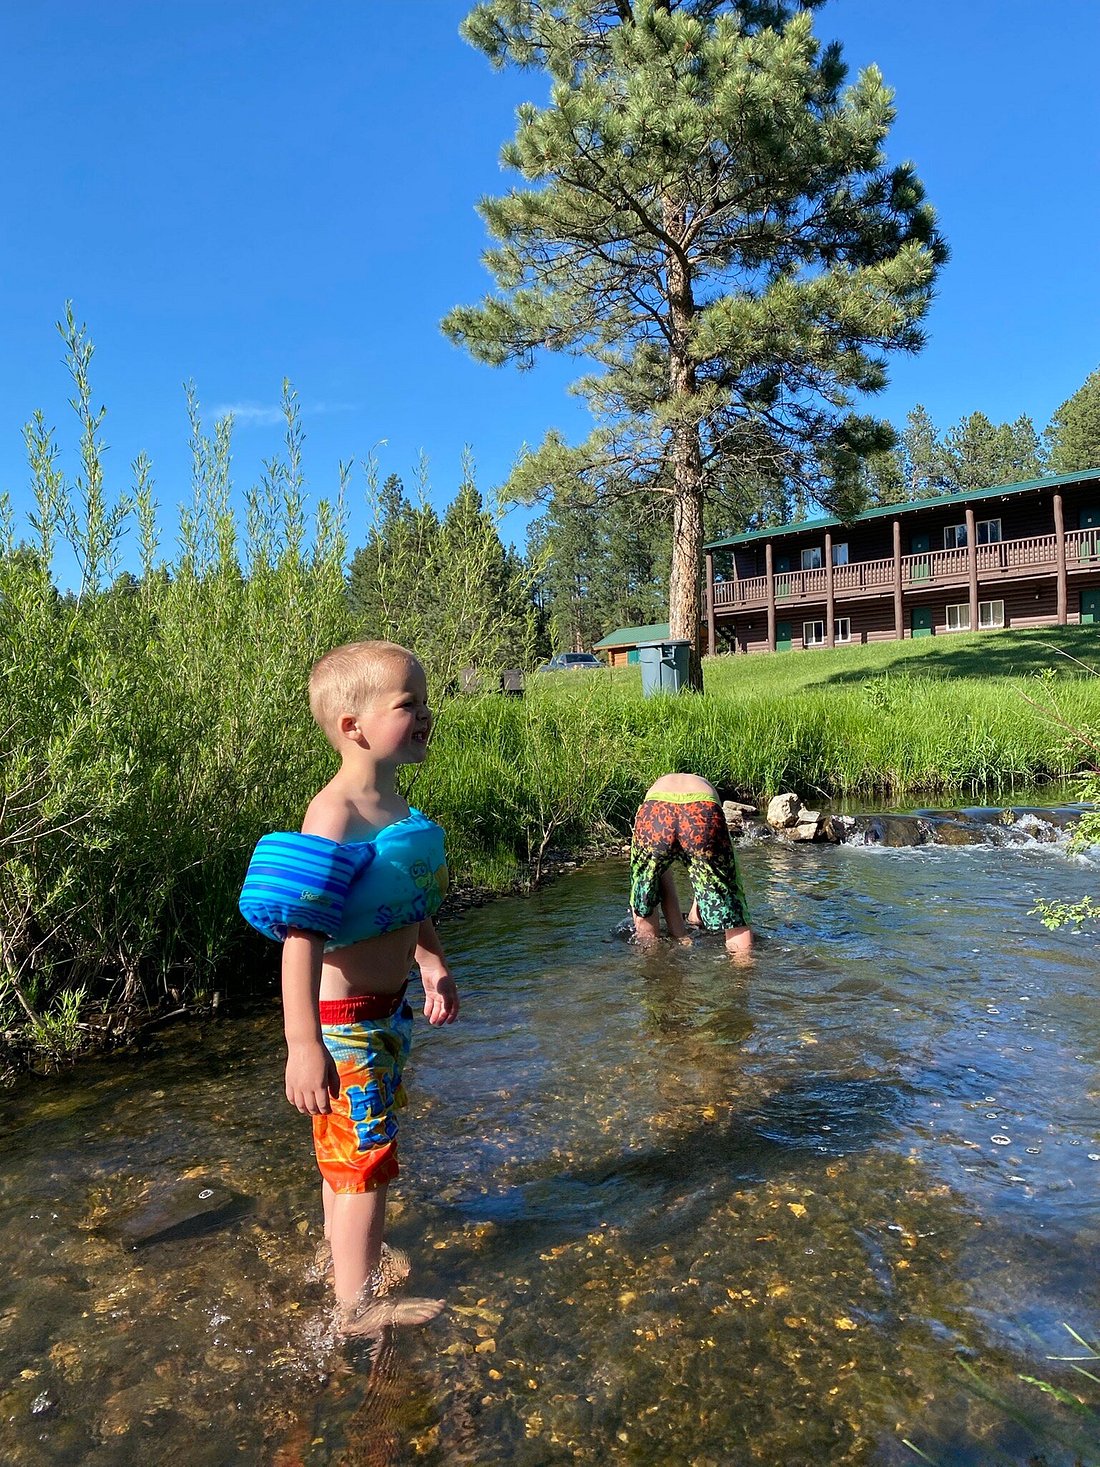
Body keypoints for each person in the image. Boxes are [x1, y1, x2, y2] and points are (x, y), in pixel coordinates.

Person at [239, 640, 459, 1335]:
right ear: (352, 726)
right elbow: (300, 937)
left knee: (353, 1150)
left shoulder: (393, 807)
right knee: (368, 1162)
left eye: (424, 702)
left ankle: (341, 1258)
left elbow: (404, 899)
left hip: (386, 1012)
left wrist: (431, 960)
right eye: (408, 705)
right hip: (343, 1022)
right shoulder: (334, 814)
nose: (425, 715)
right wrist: (302, 1044)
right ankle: (357, 1308)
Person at [629, 772, 752, 961]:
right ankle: (742, 973)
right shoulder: (704, 785)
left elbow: (665, 886)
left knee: (645, 897)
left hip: (655, 813)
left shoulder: (658, 787)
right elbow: (709, 879)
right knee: (732, 908)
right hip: (702, 811)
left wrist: (681, 936)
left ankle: (651, 965)